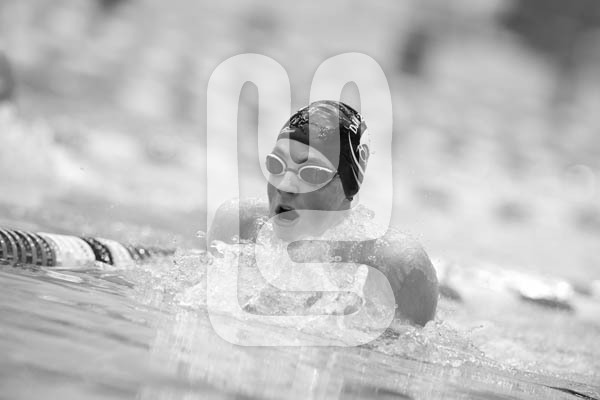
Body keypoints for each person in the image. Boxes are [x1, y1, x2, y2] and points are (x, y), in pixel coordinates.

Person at [208, 100, 438, 326]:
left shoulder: (393, 266)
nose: (285, 185)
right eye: (277, 165)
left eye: (311, 174)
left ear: (348, 187)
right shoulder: (241, 226)